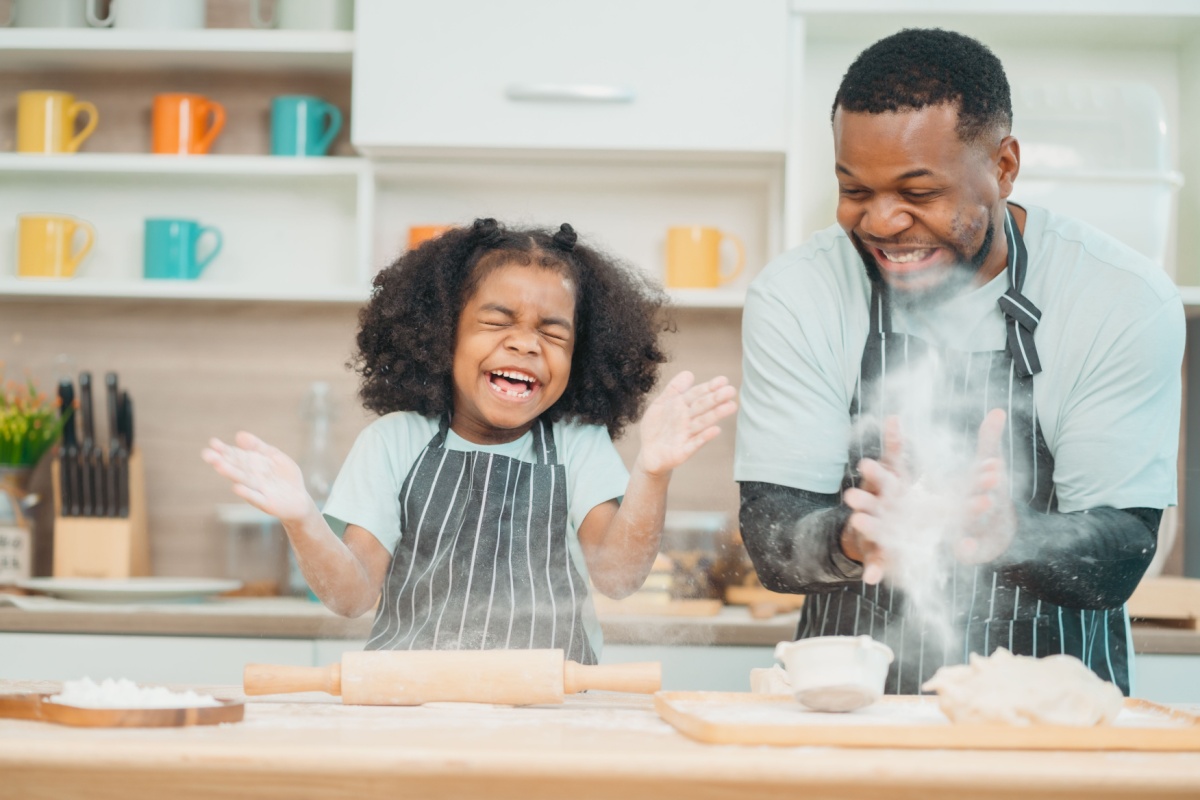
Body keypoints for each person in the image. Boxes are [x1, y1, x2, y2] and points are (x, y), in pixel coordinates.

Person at [735, 28, 1184, 695]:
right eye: (855, 190)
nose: (882, 222)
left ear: (1004, 167)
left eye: (919, 193)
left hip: (1052, 729)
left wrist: (1014, 535)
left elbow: (1120, 555)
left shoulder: (1118, 297)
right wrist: (851, 538)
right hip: (847, 727)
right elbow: (772, 536)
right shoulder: (799, 294)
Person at [204, 219, 737, 664]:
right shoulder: (392, 442)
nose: (525, 343)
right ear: (442, 335)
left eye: (553, 334)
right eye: (496, 321)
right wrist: (303, 518)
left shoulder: (577, 444)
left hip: (552, 709)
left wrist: (653, 471)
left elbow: (617, 578)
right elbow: (352, 595)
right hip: (411, 705)